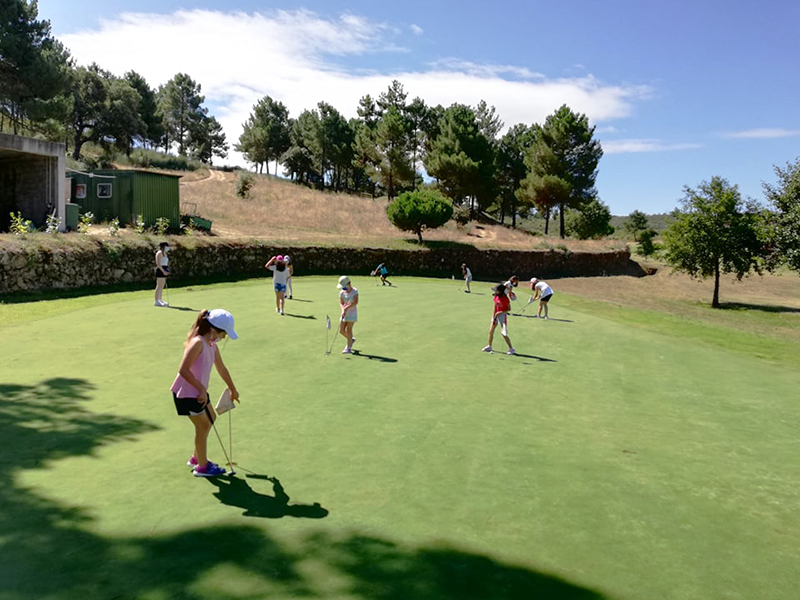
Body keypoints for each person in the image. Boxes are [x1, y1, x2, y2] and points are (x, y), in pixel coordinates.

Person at [170, 309, 240, 477]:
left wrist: (232, 388)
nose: (224, 337)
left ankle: (196, 457)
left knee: (211, 418)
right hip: (187, 393)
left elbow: (221, 367)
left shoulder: (211, 345)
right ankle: (202, 467)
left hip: (198, 392)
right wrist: (201, 389)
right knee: (203, 426)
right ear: (213, 330)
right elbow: (183, 370)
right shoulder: (198, 342)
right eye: (224, 333)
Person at [482, 283, 515, 355]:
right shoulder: (496, 297)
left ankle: (511, 348)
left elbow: (509, 309)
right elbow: (495, 307)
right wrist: (494, 316)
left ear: (500, 291)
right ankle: (489, 346)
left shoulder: (505, 299)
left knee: (503, 333)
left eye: (496, 291)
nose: (495, 292)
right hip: (496, 315)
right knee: (491, 331)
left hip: (502, 315)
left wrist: (500, 312)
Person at [337, 275, 358, 354]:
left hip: (352, 313)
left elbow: (355, 302)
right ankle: (351, 340)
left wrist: (346, 308)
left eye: (344, 287)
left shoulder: (354, 291)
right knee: (341, 330)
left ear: (348, 284)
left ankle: (348, 347)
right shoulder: (341, 292)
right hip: (344, 313)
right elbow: (341, 303)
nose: (343, 288)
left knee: (349, 330)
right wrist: (343, 310)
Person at [154, 242, 170, 307]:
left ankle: (160, 299)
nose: (168, 248)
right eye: (167, 246)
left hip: (164, 269)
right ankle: (156, 300)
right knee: (159, 285)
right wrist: (163, 271)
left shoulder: (165, 253)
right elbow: (158, 264)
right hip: (160, 270)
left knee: (162, 285)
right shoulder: (159, 253)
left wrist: (166, 270)